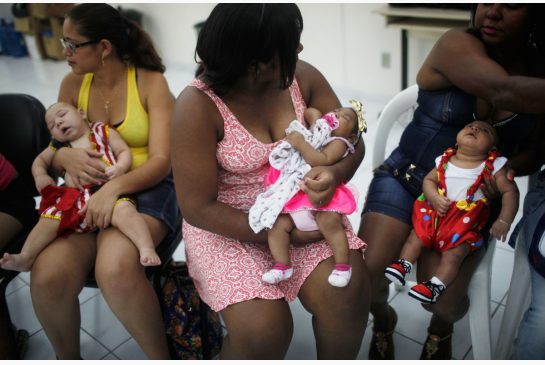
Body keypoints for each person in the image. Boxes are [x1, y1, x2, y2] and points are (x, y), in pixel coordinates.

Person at [171, 4, 370, 359]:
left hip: (300, 208)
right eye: (290, 44)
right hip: (227, 224)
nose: (300, 50)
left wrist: (335, 173)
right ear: (253, 60)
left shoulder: (303, 78)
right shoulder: (197, 105)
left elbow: (353, 140)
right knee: (265, 331)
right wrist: (283, 234)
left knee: (347, 292)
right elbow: (197, 207)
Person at [358, 3, 545, 360]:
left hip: (469, 206)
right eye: (486, 1)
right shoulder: (455, 43)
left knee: (443, 301)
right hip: (408, 179)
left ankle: (441, 329)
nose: (493, 12)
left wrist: (506, 169)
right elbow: (502, 90)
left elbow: (536, 153)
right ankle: (382, 317)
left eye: (512, 5)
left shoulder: (539, 69)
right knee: (367, 276)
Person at [28, 4, 180, 360]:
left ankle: (160, 357)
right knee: (47, 275)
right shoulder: (72, 83)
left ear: (104, 47)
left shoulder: (149, 81)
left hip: (146, 189)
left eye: (72, 44)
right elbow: (57, 142)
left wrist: (112, 189)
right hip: (84, 195)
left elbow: (161, 161)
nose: (64, 52)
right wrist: (63, 157)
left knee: (114, 270)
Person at [0, 102, 160, 272]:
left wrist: (120, 167)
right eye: (52, 125)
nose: (59, 123)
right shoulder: (57, 145)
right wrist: (41, 175)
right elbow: (39, 161)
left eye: (62, 115)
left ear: (82, 113)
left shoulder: (102, 131)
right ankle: (26, 256)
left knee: (125, 211)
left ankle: (146, 247)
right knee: (49, 218)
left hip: (108, 189)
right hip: (75, 198)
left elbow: (123, 151)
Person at [384, 121, 519, 303]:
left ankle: (435, 286)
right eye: (469, 126)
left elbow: (510, 191)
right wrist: (434, 198)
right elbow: (429, 181)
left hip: (464, 224)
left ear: (492, 147)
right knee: (415, 236)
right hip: (437, 214)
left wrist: (504, 220)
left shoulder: (494, 166)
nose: (475, 128)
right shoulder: (445, 159)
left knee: (454, 255)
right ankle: (403, 265)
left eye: (485, 130)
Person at [250, 104, 365, 288]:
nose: (336, 114)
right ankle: (282, 265)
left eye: (345, 117)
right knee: (278, 224)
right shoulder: (318, 131)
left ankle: (343, 266)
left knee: (330, 222)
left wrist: (301, 143)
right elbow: (309, 112)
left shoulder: (339, 142)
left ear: (351, 136)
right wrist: (317, 118)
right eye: (335, 111)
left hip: (319, 197)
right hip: (297, 196)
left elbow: (322, 160)